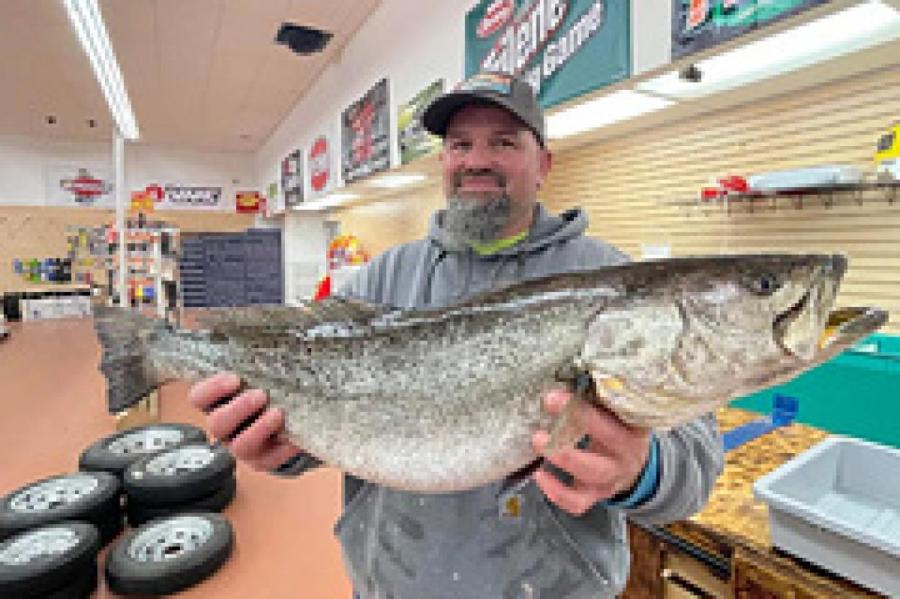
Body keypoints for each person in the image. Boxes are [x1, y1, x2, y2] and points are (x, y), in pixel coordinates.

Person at [188, 72, 724, 599]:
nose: (477, 160)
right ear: (444, 161)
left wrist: (641, 470)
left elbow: (696, 467)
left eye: (503, 142)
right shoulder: (384, 276)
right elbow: (325, 431)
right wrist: (278, 448)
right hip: (391, 583)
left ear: (544, 165)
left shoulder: (609, 280)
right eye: (460, 144)